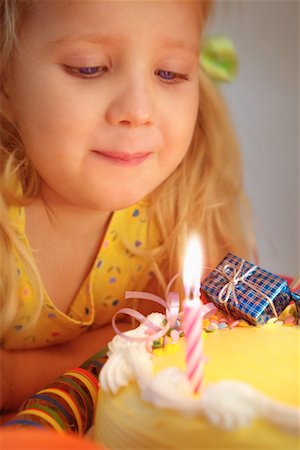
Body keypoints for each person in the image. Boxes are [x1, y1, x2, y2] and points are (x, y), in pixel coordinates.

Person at [0, 0, 253, 412]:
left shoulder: (180, 213)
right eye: (89, 67)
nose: (138, 111)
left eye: (169, 73)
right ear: (5, 79)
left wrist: (16, 377)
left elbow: (174, 340)